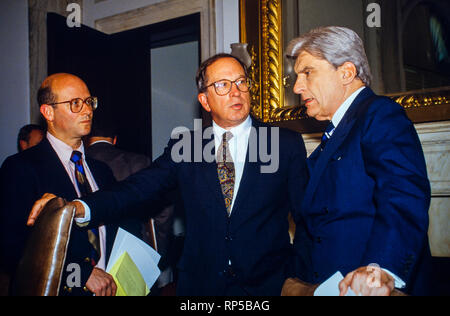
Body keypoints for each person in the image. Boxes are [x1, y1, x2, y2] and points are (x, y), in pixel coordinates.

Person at [29, 54, 309, 296]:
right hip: (200, 288)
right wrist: (79, 206)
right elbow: (136, 189)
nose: (236, 91)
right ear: (205, 100)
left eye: (241, 82)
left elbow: (307, 219)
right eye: (222, 85)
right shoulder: (185, 147)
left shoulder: (284, 144)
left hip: (266, 288)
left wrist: (301, 277)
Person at [285, 26, 432, 296]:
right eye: (297, 77)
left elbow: (403, 196)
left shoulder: (380, 114)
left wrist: (381, 270)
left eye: (307, 72)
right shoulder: (330, 140)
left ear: (347, 72)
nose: (297, 87)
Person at [0, 73, 118, 296]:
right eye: (75, 103)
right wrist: (80, 274)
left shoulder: (102, 171)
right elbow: (13, 250)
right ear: (48, 112)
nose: (87, 110)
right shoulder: (21, 167)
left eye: (89, 101)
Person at [86, 120, 176, 292]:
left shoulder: (78, 164)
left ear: (86, 139)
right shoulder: (137, 162)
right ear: (114, 139)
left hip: (90, 261)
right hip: (133, 254)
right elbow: (163, 212)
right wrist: (157, 251)